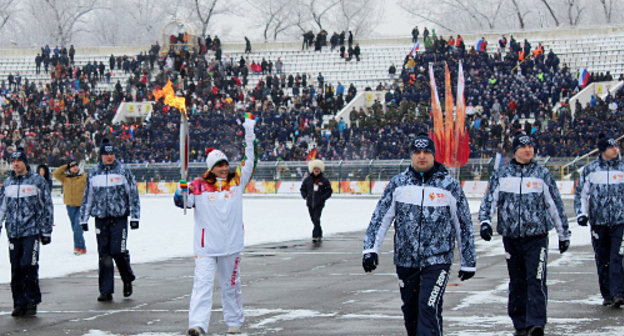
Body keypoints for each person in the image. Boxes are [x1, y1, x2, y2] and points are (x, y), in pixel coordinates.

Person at [362, 133, 476, 336]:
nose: (421, 156)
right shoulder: (399, 184)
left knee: (428, 306)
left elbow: (464, 225)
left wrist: (468, 261)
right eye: (417, 152)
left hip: (438, 260)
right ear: (411, 156)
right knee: (412, 312)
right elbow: (380, 218)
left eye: (426, 152)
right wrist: (371, 249)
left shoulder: (449, 186)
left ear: (433, 155)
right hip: (406, 261)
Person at [479, 132, 570, 336]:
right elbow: (489, 201)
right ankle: (520, 323)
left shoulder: (541, 175)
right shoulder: (502, 175)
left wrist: (563, 234)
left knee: (536, 279)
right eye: (523, 147)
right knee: (517, 281)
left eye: (531, 147)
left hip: (536, 237)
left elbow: (555, 205)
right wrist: (485, 222)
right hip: (511, 238)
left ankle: (536, 323)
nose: (528, 150)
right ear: (516, 150)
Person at [174, 118, 257, 336]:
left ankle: (234, 322)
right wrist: (180, 193)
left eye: (225, 164)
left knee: (231, 287)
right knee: (202, 287)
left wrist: (250, 134)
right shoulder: (197, 186)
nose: (224, 168)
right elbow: (183, 202)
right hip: (206, 248)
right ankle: (198, 324)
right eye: (219, 165)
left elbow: (251, 160)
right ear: (211, 168)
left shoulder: (237, 181)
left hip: (231, 246)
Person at [80, 139, 140, 302]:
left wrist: (135, 216)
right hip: (101, 219)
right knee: (104, 255)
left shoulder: (123, 171)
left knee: (118, 251)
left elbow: (133, 195)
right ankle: (106, 290)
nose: (109, 156)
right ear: (101, 155)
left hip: (119, 218)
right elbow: (88, 197)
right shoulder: (93, 173)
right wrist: (83, 219)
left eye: (111, 153)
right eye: (106, 154)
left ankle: (127, 277)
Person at [0, 148, 53, 317]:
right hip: (13, 233)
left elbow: (47, 206)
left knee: (28, 265)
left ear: (25, 162)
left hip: (32, 231)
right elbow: (2, 207)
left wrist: (46, 230)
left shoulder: (37, 181)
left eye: (19, 161)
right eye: (13, 161)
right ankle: (19, 303)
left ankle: (31, 300)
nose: (15, 164)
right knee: (16, 268)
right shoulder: (8, 183)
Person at [574, 135, 624, 308]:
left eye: (616, 147)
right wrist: (581, 213)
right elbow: (581, 193)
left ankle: (619, 293)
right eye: (612, 147)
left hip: (620, 221)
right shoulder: (590, 170)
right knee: (603, 259)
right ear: (603, 151)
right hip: (599, 222)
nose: (616, 150)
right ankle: (608, 294)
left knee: (617, 256)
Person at [53, 160, 88, 255]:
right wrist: (66, 166)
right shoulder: (65, 178)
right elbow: (55, 173)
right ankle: (82, 247)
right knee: (75, 227)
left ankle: (78, 248)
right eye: (72, 166)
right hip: (70, 206)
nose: (75, 168)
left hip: (81, 206)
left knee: (77, 227)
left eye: (76, 165)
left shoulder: (84, 177)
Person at [300, 159, 332, 243]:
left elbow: (329, 191)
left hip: (319, 203)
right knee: (313, 219)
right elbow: (302, 189)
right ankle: (319, 232)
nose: (316, 170)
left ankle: (315, 235)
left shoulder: (324, 180)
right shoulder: (307, 180)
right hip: (310, 203)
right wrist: (305, 196)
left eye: (318, 169)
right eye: (315, 169)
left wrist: (323, 197)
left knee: (316, 218)